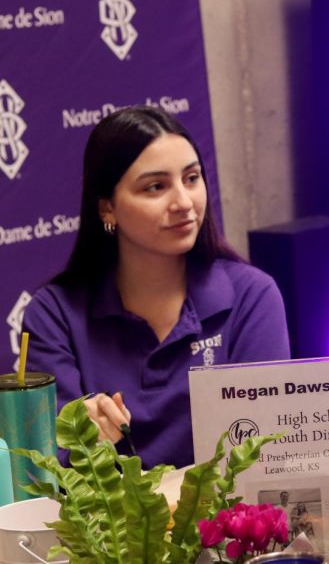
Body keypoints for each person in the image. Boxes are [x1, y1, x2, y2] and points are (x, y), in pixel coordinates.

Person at [23, 106, 290, 469]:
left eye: (192, 178)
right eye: (155, 187)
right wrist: (79, 435)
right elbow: (52, 465)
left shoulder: (251, 296)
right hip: (107, 525)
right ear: (107, 210)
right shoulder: (54, 314)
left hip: (225, 522)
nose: (183, 202)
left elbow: (264, 452)